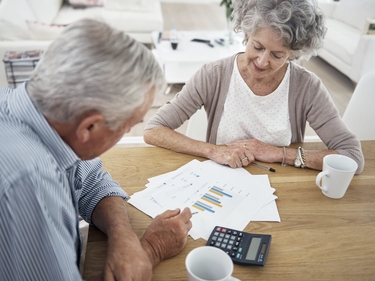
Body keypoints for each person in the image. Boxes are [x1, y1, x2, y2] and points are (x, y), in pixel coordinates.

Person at [0, 19, 192, 281]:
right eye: (128, 126)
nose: (127, 132)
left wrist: (122, 235)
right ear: (89, 127)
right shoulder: (29, 184)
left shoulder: (36, 111)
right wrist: (150, 250)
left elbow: (90, 178)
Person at [144, 0, 364, 174]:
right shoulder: (213, 75)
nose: (261, 62)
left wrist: (280, 154)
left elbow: (352, 156)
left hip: (285, 185)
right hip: (221, 180)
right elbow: (153, 131)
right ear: (247, 34)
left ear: (294, 53)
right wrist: (213, 150)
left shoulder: (307, 87)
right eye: (257, 47)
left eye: (278, 55)